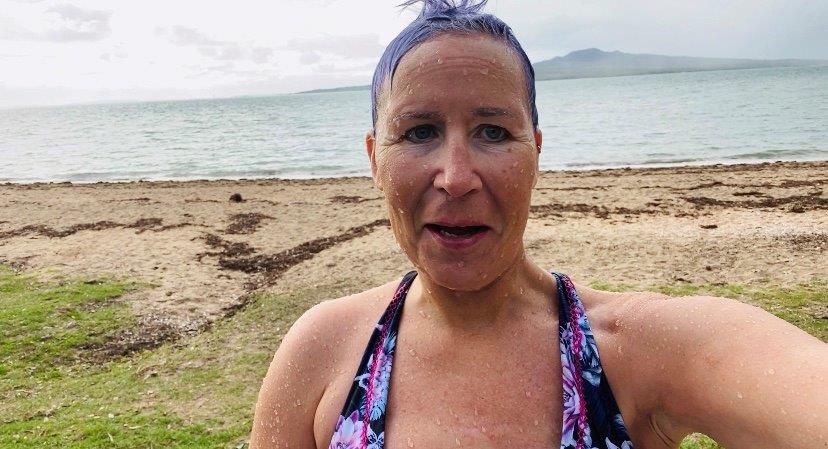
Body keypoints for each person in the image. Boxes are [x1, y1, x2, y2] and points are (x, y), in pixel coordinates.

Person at [250, 1, 828, 448]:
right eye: (419, 131)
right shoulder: (322, 349)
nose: (457, 177)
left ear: (536, 152)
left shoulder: (637, 351)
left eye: (494, 132)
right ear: (376, 158)